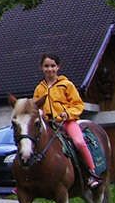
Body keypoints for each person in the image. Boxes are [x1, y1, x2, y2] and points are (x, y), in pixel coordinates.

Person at [34, 53, 102, 189]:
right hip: (49, 124)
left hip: (67, 122)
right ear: (42, 68)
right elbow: (36, 107)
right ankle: (27, 179)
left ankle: (91, 173)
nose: (49, 69)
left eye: (53, 66)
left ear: (58, 67)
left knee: (79, 142)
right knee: (32, 143)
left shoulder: (66, 85)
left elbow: (78, 105)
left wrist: (67, 114)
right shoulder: (39, 89)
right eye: (46, 66)